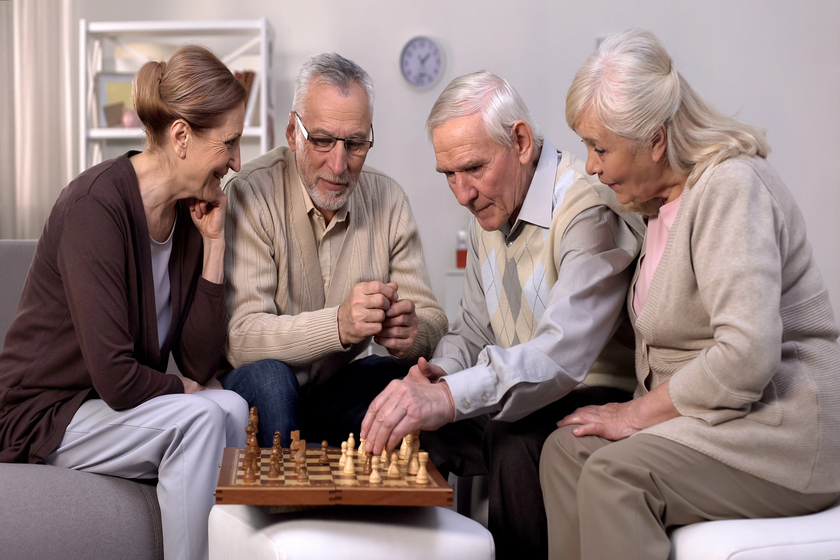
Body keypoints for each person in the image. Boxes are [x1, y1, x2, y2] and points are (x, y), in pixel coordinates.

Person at [538, 29, 840, 560]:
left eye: (600, 148)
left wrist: (634, 415)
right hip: (711, 421)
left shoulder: (730, 188)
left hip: (780, 430)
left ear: (656, 140)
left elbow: (746, 356)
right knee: (565, 452)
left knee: (615, 477)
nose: (591, 165)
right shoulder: (653, 207)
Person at [361, 71, 645, 559]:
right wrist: (438, 376)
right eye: (449, 174)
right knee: (416, 427)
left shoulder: (585, 209)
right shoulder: (489, 209)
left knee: (513, 438)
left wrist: (448, 397)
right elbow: (474, 327)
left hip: (592, 391)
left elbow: (560, 355)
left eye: (473, 168)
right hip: (518, 391)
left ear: (521, 141)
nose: (462, 193)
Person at [0, 45, 249, 560]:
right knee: (199, 419)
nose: (236, 162)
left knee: (232, 406)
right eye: (228, 143)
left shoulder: (187, 215)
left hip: (104, 407)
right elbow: (116, 377)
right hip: (45, 413)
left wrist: (214, 246)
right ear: (181, 136)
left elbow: (199, 363)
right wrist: (182, 389)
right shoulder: (94, 207)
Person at [222, 52, 447, 448]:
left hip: (335, 392)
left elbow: (433, 323)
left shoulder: (390, 200)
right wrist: (339, 326)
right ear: (293, 133)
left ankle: (394, 486)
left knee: (410, 381)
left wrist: (410, 334)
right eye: (322, 141)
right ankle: (288, 488)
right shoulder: (250, 192)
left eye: (355, 144)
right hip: (262, 385)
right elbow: (241, 337)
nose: (339, 164)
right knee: (273, 382)